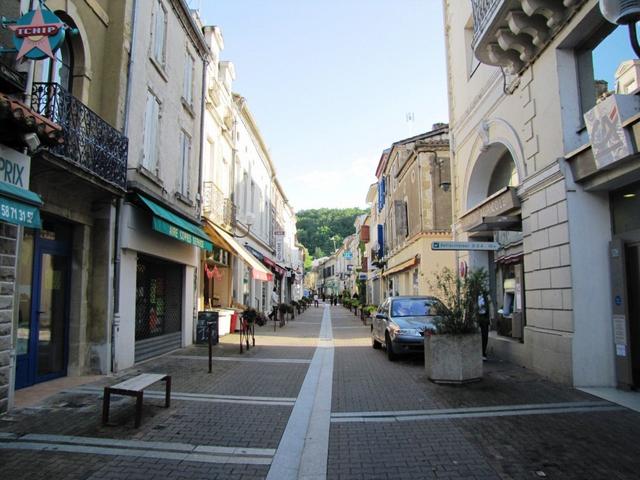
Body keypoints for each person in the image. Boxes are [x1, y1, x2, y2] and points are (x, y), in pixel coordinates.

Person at [478, 292, 490, 360]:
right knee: (478, 335)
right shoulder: (473, 294)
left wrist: (491, 318)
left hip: (485, 317)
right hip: (478, 316)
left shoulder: (486, 295)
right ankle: (478, 352)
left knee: (485, 336)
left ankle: (483, 353)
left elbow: (490, 306)